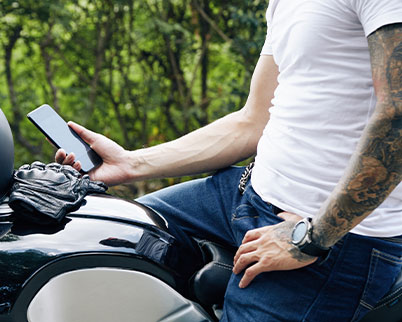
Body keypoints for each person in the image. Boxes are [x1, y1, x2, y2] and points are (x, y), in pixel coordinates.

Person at [56, 1, 402, 321]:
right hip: (244, 193)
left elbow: (398, 118)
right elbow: (253, 121)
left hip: (332, 235)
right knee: (106, 237)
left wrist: (311, 237)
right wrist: (132, 163)